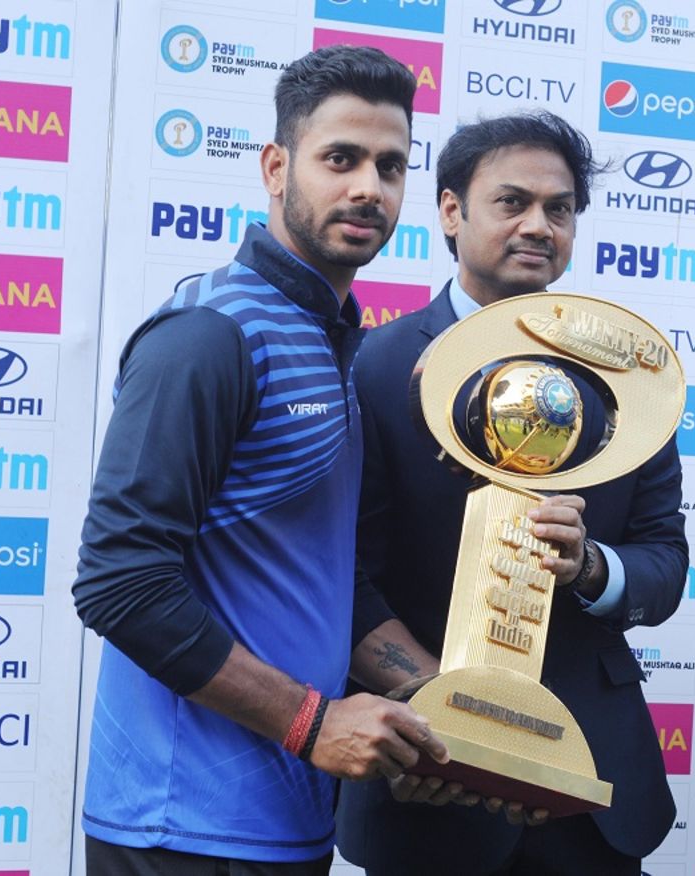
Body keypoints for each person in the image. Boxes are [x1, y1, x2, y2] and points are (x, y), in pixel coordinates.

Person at [73, 45, 452, 875]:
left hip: (288, 821)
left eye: (390, 166)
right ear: (276, 167)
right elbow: (118, 580)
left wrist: (447, 706)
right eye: (340, 159)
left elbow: (322, 581)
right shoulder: (210, 335)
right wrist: (313, 724)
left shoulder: (329, 342)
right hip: (176, 833)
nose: (368, 188)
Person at [335, 111, 689, 875]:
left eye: (559, 209)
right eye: (513, 202)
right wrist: (453, 715)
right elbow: (342, 574)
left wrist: (592, 567)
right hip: (427, 783)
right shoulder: (373, 367)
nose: (538, 225)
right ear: (452, 212)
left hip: (589, 789)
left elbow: (664, 564)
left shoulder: (635, 381)